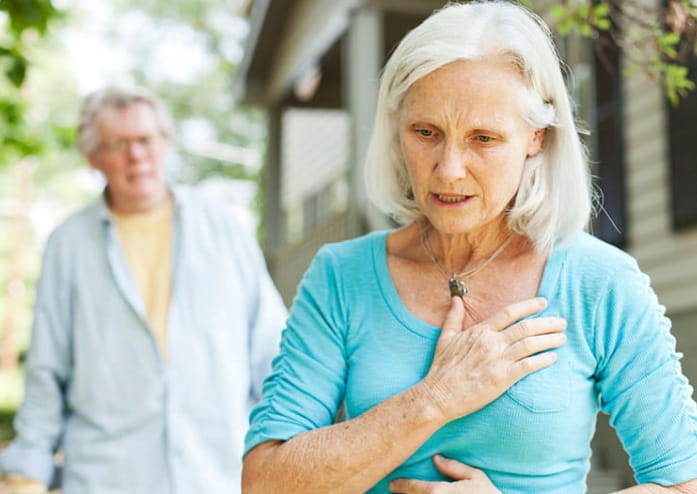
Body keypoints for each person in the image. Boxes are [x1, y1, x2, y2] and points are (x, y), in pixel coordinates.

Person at [241, 2, 697, 493]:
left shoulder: (600, 282)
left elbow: (684, 482)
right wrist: (436, 398)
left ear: (535, 138)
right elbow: (266, 483)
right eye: (426, 132)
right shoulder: (342, 275)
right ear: (397, 130)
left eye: (483, 138)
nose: (449, 168)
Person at [0, 86, 287, 493]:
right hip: (106, 478)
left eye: (146, 140)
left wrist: (286, 447)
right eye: (119, 144)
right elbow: (46, 370)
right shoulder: (68, 244)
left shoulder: (224, 229)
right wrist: (27, 471)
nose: (136, 155)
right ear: (93, 157)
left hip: (218, 474)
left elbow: (272, 352)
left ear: (165, 143)